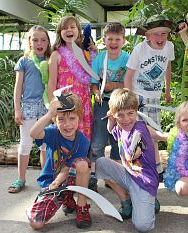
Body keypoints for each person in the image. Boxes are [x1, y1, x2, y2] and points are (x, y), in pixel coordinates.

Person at [96, 88, 167, 232]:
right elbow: (111, 130)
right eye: (120, 115)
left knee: (142, 226)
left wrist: (135, 152)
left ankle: (149, 201)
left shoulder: (140, 130)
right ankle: (125, 198)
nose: (126, 119)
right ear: (114, 115)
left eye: (130, 113)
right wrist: (111, 119)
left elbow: (138, 143)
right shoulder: (120, 126)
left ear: (136, 111)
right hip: (129, 174)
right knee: (100, 163)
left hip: (144, 182)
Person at [26, 94, 92, 229]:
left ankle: (82, 206)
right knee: (36, 224)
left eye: (72, 118)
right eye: (61, 119)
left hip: (67, 182)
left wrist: (57, 182)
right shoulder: (52, 133)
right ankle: (65, 199)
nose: (67, 124)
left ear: (80, 118)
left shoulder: (83, 141)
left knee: (83, 164)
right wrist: (50, 113)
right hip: (51, 184)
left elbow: (68, 169)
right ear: (55, 120)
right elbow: (33, 133)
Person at [124, 14, 175, 178]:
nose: (160, 37)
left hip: (154, 97)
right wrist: (128, 99)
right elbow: (128, 75)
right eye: (155, 34)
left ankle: (157, 167)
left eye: (163, 33)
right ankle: (134, 166)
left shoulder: (169, 47)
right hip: (138, 95)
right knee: (136, 133)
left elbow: (167, 67)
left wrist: (167, 91)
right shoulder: (140, 49)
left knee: (153, 133)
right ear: (147, 35)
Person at [8, 25, 51, 193]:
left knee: (45, 145)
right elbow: (18, 88)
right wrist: (17, 109)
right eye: (35, 40)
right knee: (25, 144)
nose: (39, 43)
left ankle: (45, 179)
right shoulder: (24, 61)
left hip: (46, 107)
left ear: (48, 42)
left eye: (43, 40)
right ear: (29, 42)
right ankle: (21, 178)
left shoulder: (51, 59)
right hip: (29, 107)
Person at [89, 22, 130, 192]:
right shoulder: (99, 59)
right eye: (110, 39)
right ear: (104, 40)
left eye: (117, 39)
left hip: (120, 105)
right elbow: (93, 83)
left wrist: (113, 85)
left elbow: (128, 83)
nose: (113, 42)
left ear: (123, 40)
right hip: (102, 104)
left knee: (117, 142)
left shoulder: (128, 58)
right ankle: (93, 176)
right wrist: (97, 92)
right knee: (98, 142)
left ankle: (112, 176)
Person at [48, 15, 95, 141]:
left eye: (72, 27)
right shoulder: (56, 55)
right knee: (65, 138)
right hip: (65, 103)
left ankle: (83, 160)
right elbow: (52, 82)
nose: (69, 30)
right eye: (64, 28)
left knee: (84, 138)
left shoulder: (86, 53)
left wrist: (94, 52)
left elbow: (95, 75)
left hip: (84, 102)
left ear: (79, 31)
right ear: (60, 33)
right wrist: (53, 106)